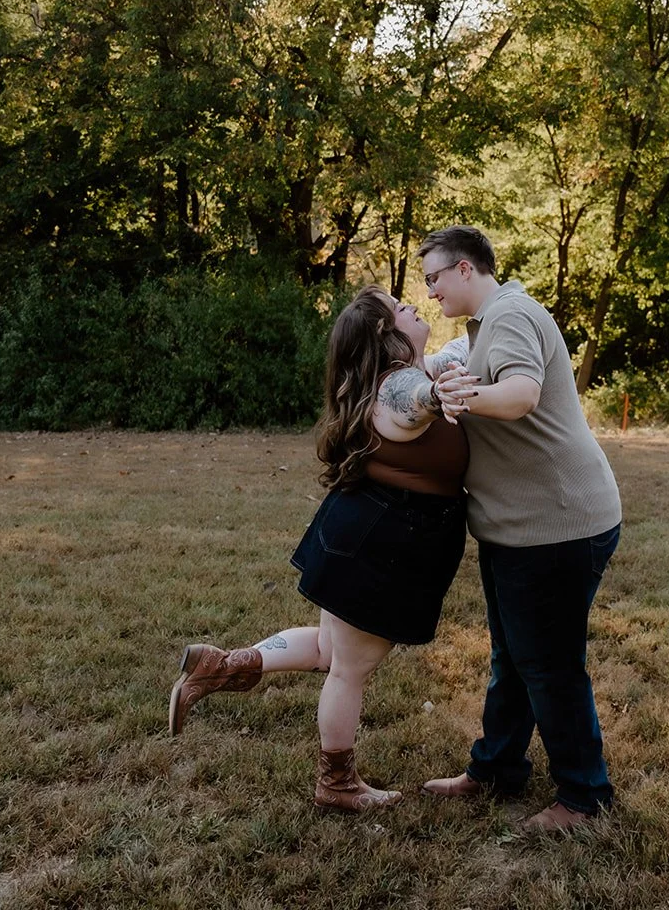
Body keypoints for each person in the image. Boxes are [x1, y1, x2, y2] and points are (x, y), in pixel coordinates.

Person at [167, 286, 475, 812]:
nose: (412, 305)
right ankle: (336, 782)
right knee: (349, 669)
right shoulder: (401, 385)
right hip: (385, 541)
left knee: (333, 651)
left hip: (365, 529)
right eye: (401, 306)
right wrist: (435, 392)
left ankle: (222, 665)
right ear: (386, 333)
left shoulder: (403, 370)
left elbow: (454, 357)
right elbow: (414, 399)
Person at [417, 225, 622, 832]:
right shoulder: (484, 326)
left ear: (464, 270)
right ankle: (497, 769)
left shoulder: (509, 315)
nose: (430, 293)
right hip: (520, 530)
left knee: (551, 666)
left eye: (433, 278)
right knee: (515, 657)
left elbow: (521, 395)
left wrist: (461, 397)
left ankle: (585, 798)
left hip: (558, 527)